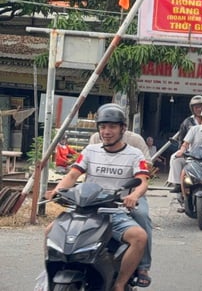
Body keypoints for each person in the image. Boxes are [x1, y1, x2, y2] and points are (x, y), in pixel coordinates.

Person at [45, 104, 152, 290]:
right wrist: (58, 190)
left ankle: (120, 284)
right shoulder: (90, 151)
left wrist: (133, 195)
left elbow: (142, 180)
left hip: (114, 210)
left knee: (139, 237)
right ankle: (48, 276)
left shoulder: (134, 154)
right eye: (103, 127)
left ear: (122, 129)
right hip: (85, 208)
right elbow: (72, 175)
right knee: (49, 231)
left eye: (112, 127)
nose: (107, 132)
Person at [167, 95, 202, 193]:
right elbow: (182, 139)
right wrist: (182, 150)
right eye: (196, 107)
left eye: (200, 106)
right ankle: (177, 184)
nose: (198, 109)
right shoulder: (187, 122)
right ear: (192, 108)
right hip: (191, 153)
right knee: (174, 158)